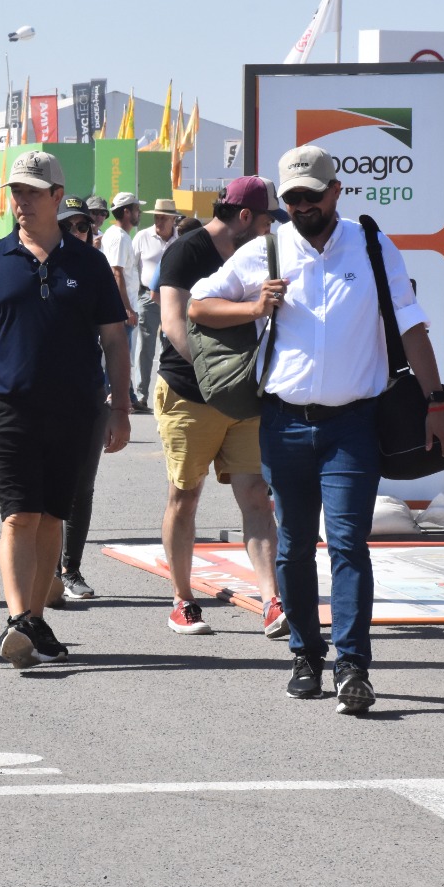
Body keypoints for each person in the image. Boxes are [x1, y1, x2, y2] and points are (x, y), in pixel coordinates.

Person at [190, 146, 444, 715]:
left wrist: (437, 400)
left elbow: (412, 326)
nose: (300, 206)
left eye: (310, 196)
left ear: (336, 191)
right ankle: (305, 654)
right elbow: (199, 304)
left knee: (347, 544)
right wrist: (252, 309)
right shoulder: (266, 249)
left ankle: (353, 664)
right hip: (285, 424)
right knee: (291, 547)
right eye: (290, 198)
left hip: (352, 425)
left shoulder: (370, 244)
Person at [0, 151, 133, 668]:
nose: (21, 201)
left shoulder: (89, 262)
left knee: (54, 515)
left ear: (57, 197)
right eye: (16, 192)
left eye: (32, 191)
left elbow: (116, 341)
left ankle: (32, 620)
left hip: (77, 409)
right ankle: (17, 618)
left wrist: (120, 408)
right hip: (10, 407)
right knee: (19, 515)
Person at [154, 176, 287, 638]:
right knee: (185, 497)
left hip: (246, 396)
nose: (275, 227)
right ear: (246, 216)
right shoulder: (187, 250)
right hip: (190, 393)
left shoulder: (264, 250)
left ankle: (271, 599)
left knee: (255, 496)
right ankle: (182, 599)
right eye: (269, 217)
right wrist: (216, 376)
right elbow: (172, 321)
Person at [54, 196, 114, 602]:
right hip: (35, 392)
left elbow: (114, 336)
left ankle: (70, 568)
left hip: (88, 389)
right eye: (71, 225)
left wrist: (119, 398)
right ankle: (44, 571)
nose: (80, 232)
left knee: (82, 486)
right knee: (41, 487)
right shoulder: (29, 264)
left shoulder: (95, 267)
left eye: (84, 226)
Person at [132, 198, 181, 411]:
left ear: (173, 219)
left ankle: (168, 393)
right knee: (146, 347)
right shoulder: (143, 237)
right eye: (156, 217)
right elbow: (131, 267)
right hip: (148, 298)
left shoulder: (180, 240)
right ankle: (142, 395)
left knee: (171, 346)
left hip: (174, 298)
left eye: (163, 217)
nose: (159, 221)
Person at [99, 191, 142, 383]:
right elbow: (117, 273)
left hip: (120, 306)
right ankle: (114, 395)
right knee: (120, 356)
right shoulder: (120, 237)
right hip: (122, 308)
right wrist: (127, 308)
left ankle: (127, 395)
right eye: (136, 209)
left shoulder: (117, 235)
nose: (139, 213)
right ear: (126, 212)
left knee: (121, 355)